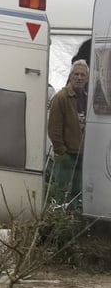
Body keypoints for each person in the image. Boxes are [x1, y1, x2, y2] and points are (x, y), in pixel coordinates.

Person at [47, 59, 89, 209]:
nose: (79, 77)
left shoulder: (87, 98)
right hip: (66, 156)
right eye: (76, 74)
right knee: (61, 194)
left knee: (76, 195)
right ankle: (59, 225)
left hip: (81, 155)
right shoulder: (61, 98)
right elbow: (53, 129)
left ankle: (71, 224)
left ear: (87, 78)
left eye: (82, 75)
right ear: (70, 76)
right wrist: (61, 152)